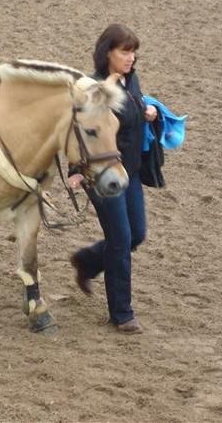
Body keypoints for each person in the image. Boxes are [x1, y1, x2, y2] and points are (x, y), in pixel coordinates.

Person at [69, 23, 157, 335]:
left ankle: (87, 261)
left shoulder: (130, 82)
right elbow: (82, 134)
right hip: (99, 174)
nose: (131, 57)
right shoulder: (93, 88)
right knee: (120, 238)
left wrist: (149, 112)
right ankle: (122, 314)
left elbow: (132, 116)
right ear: (108, 53)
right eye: (125, 51)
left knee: (136, 235)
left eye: (133, 52)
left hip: (127, 170)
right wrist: (75, 170)